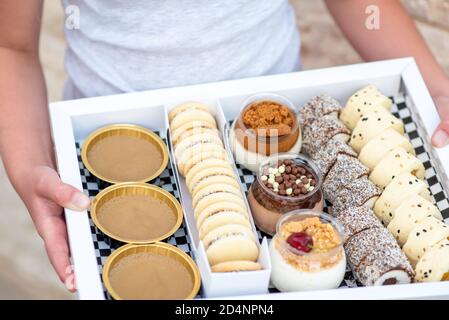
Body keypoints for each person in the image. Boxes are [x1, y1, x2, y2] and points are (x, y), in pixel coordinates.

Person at [0, 0, 448, 292]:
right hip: (114, 172)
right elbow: (11, 45)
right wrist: (28, 165)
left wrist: (436, 91)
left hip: (278, 140)